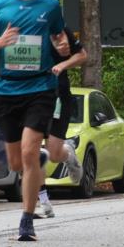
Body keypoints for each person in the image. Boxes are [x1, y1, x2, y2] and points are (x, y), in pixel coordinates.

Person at [0, 0, 67, 241]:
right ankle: (35, 164)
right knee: (16, 163)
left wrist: (62, 47)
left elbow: (60, 38)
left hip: (40, 88)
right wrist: (0, 42)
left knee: (28, 152)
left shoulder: (50, 6)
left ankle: (27, 220)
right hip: (6, 91)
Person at [35, 26, 86, 218]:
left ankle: (68, 154)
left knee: (54, 154)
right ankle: (44, 203)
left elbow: (82, 55)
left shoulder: (58, 28)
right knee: (33, 152)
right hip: (32, 97)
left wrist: (63, 65)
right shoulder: (22, 28)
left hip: (58, 97)